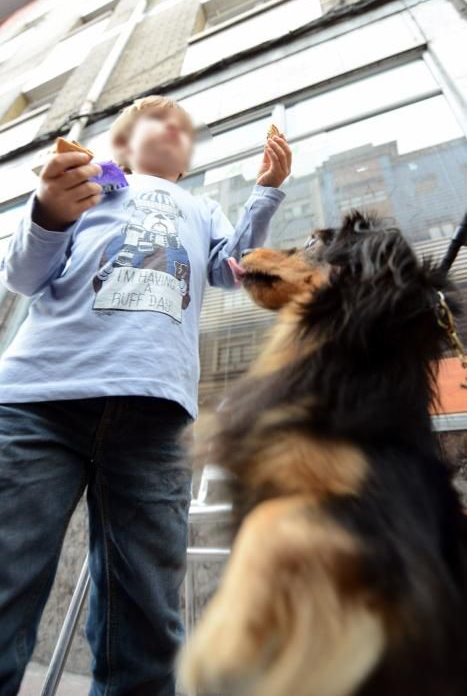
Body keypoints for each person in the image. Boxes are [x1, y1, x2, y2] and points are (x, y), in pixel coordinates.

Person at [0, 95, 291, 696]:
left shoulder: (201, 204)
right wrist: (50, 212)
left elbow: (230, 267)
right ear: (123, 144)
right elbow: (26, 277)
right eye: (155, 121)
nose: (172, 131)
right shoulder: (92, 183)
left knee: (149, 614)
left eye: (182, 130)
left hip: (156, 417)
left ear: (186, 160)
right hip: (39, 401)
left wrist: (265, 192)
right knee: (6, 576)